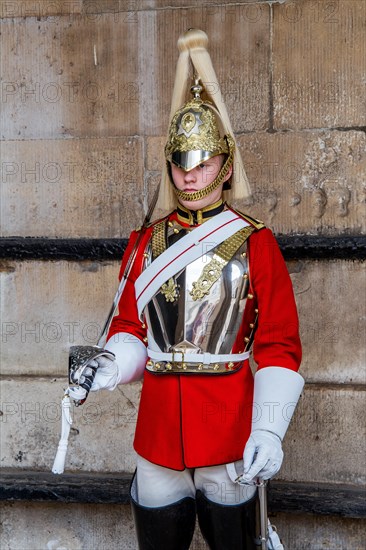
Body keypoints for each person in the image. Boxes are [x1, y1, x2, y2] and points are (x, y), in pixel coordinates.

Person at [78, 29, 304, 550]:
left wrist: (267, 430)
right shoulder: (143, 242)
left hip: (227, 424)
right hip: (158, 429)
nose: (188, 175)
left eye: (201, 163)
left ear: (225, 166)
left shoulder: (256, 243)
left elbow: (278, 346)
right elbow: (131, 328)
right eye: (180, 162)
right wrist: (111, 364)